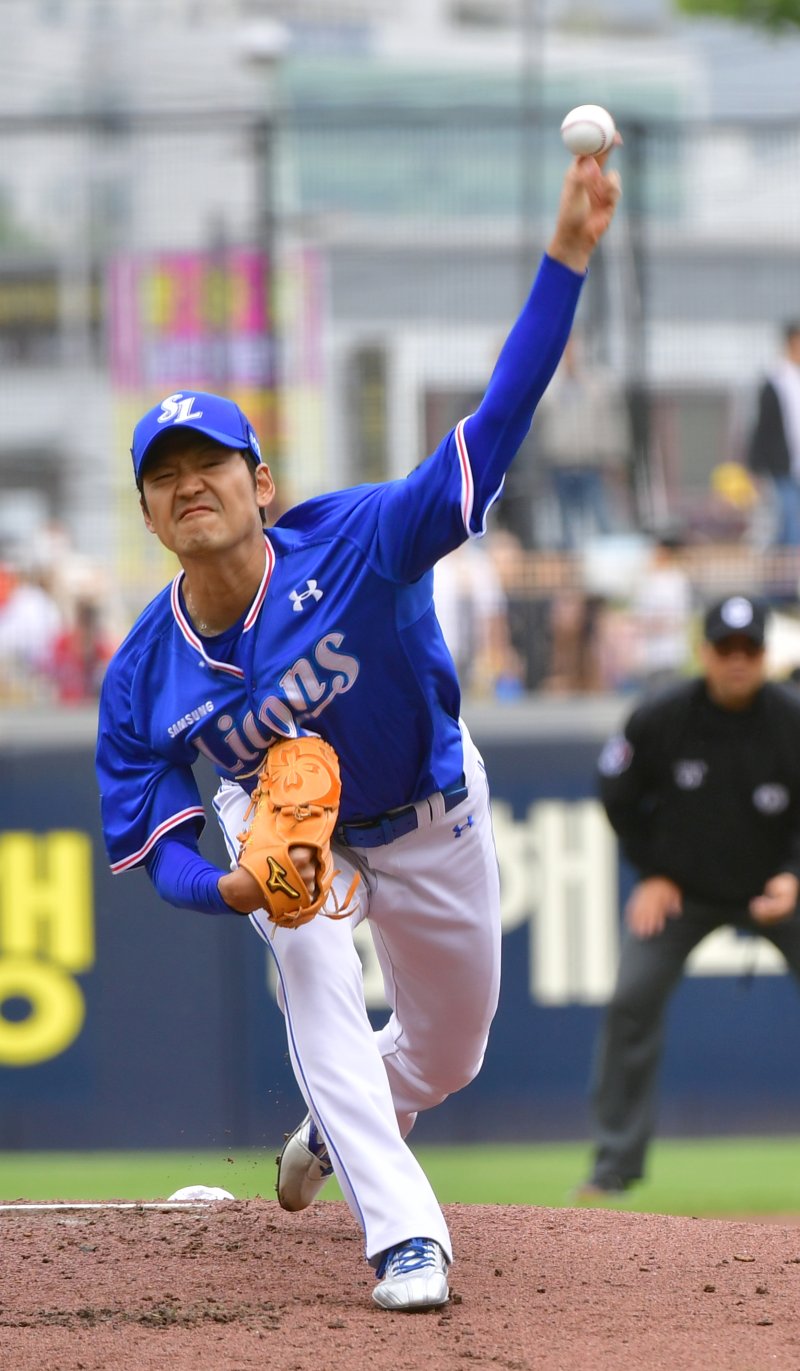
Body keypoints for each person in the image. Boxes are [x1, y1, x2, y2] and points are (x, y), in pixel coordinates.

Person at [95, 149, 621, 1310]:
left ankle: (337, 1122)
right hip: (292, 831)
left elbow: (497, 421)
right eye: (164, 475)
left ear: (260, 482)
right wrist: (230, 887)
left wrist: (566, 257)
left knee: (448, 1055)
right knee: (307, 953)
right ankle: (405, 1240)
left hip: (430, 811)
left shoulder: (362, 542)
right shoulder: (139, 676)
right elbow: (151, 840)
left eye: (210, 462)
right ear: (147, 513)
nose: (189, 482)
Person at [578, 593, 800, 1199]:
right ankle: (613, 1167)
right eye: (725, 648)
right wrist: (652, 871)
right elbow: (618, 794)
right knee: (632, 999)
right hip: (684, 891)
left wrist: (793, 874)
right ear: (704, 652)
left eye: (749, 649)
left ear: (765, 655)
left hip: (776, 887)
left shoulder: (791, 719)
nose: (737, 660)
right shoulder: (662, 716)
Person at [533, 330, 632, 550]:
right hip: (559, 463)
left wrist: (615, 456)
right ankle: (569, 559)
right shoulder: (550, 385)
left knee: (602, 518)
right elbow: (538, 418)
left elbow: (610, 423)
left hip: (591, 463)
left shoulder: (597, 385)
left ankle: (608, 559)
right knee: (563, 523)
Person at [747, 321, 800, 547]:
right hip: (784, 465)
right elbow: (763, 426)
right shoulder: (776, 381)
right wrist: (755, 465)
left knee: (788, 524)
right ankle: (789, 567)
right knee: (790, 519)